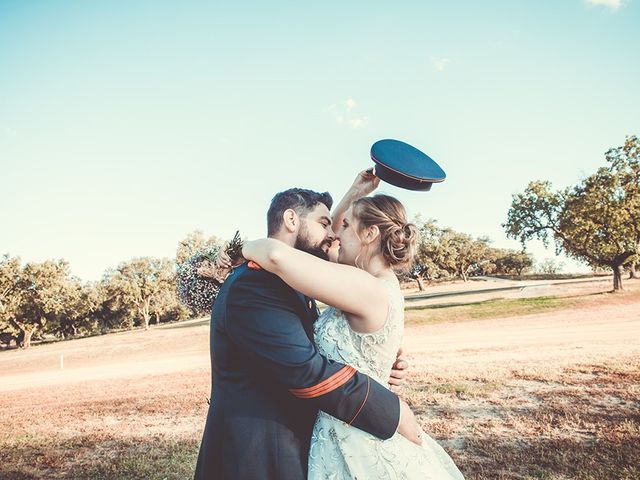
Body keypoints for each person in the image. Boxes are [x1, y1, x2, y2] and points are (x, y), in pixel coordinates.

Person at [240, 171, 465, 479]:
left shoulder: (365, 287)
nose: (335, 234)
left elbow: (279, 256)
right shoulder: (372, 283)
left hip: (360, 432)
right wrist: (354, 194)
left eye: (344, 226)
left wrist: (241, 250)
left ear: (370, 235)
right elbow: (318, 245)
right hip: (348, 420)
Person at [193, 186, 422, 480]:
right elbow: (306, 371)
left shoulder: (293, 282)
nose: (334, 235)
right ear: (291, 220)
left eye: (340, 226)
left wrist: (378, 357)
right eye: (325, 224)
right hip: (258, 455)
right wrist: (391, 410)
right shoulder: (256, 284)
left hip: (304, 444)